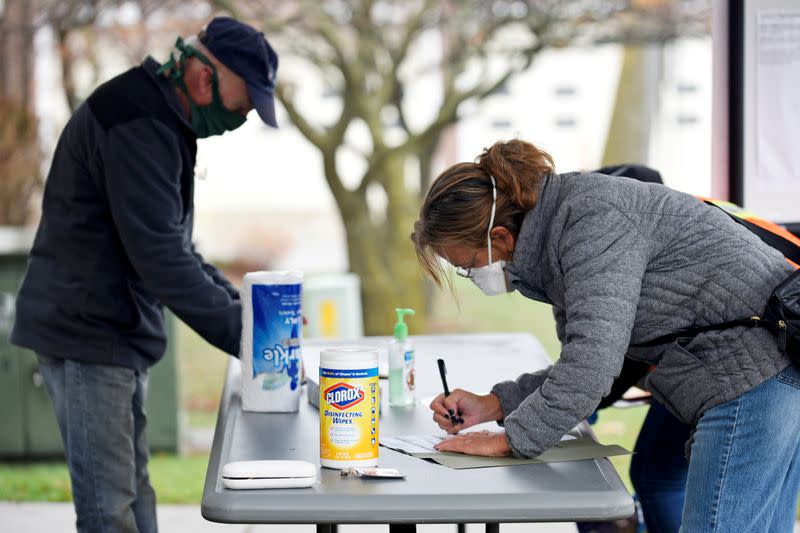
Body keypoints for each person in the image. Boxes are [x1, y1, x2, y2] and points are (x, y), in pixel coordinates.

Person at [412, 139, 800, 531]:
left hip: (752, 374)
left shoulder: (591, 221)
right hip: (764, 371)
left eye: (470, 265)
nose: (473, 276)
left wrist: (511, 439)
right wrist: (494, 403)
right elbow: (594, 359)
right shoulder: (561, 229)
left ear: (499, 238)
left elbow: (594, 363)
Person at [10, 17, 278, 533]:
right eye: (243, 106)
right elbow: (162, 260)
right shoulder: (136, 122)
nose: (240, 120)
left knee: (133, 496)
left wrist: (252, 317)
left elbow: (176, 246)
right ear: (205, 79)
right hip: (88, 332)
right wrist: (252, 340)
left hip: (111, 330)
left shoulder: (161, 119)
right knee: (110, 509)